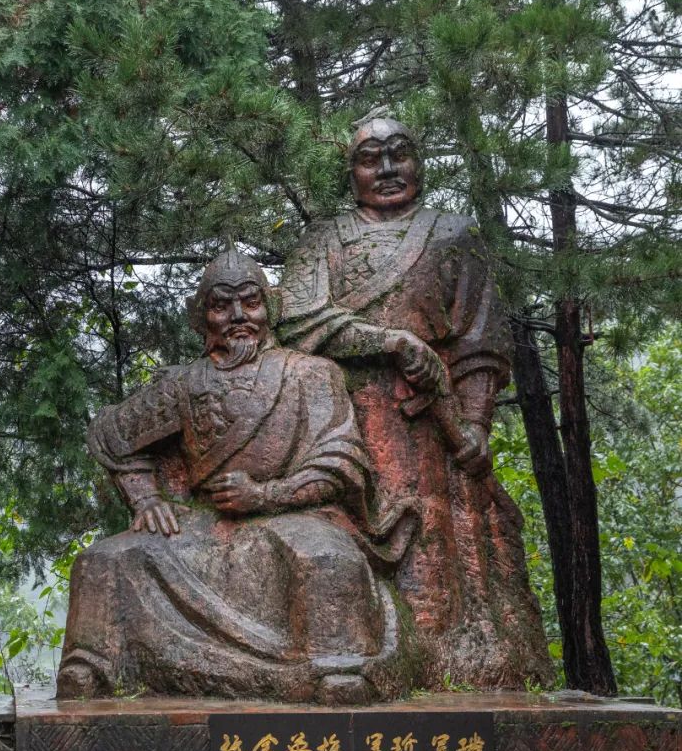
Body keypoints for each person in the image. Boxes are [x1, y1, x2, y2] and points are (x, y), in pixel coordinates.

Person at [56, 244, 418, 703]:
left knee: (328, 559)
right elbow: (114, 437)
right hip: (207, 524)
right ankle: (93, 666)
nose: (237, 316)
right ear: (201, 317)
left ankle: (337, 667)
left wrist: (267, 495)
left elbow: (342, 464)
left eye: (250, 301)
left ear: (271, 308)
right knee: (103, 559)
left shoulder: (312, 374)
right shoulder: (186, 384)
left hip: (297, 514)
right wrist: (145, 498)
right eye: (221, 306)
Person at [278, 112, 552, 688]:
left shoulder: (454, 235)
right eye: (369, 158)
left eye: (398, 153)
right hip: (336, 423)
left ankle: (432, 665)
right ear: (351, 173)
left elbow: (479, 343)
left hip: (428, 425)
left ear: (419, 163)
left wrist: (474, 425)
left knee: (431, 557)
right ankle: (345, 658)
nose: (386, 168)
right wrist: (389, 342)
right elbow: (298, 324)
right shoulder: (322, 242)